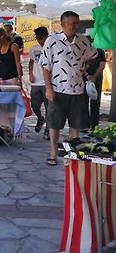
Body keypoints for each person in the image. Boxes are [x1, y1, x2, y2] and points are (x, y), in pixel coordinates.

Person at [39, 11, 97, 166]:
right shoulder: (52, 41)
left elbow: (92, 55)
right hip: (58, 90)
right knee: (54, 124)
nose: (76, 26)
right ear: (63, 24)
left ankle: (73, 154)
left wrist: (83, 69)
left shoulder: (83, 41)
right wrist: (48, 88)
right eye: (73, 23)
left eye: (77, 23)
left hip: (78, 90)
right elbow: (45, 66)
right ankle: (53, 152)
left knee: (76, 124)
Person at [29, 26, 49, 139]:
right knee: (35, 105)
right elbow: (31, 62)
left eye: (40, 38)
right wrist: (31, 74)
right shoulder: (34, 48)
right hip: (36, 81)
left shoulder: (51, 48)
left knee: (49, 107)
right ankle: (40, 118)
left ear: (46, 36)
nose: (38, 40)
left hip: (47, 83)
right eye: (36, 38)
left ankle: (48, 129)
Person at [83, 37, 106, 132]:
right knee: (84, 103)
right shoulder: (83, 51)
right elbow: (80, 65)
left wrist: (94, 77)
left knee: (95, 103)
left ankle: (94, 126)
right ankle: (85, 125)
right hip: (85, 79)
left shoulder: (100, 51)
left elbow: (102, 65)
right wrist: (87, 75)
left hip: (96, 80)